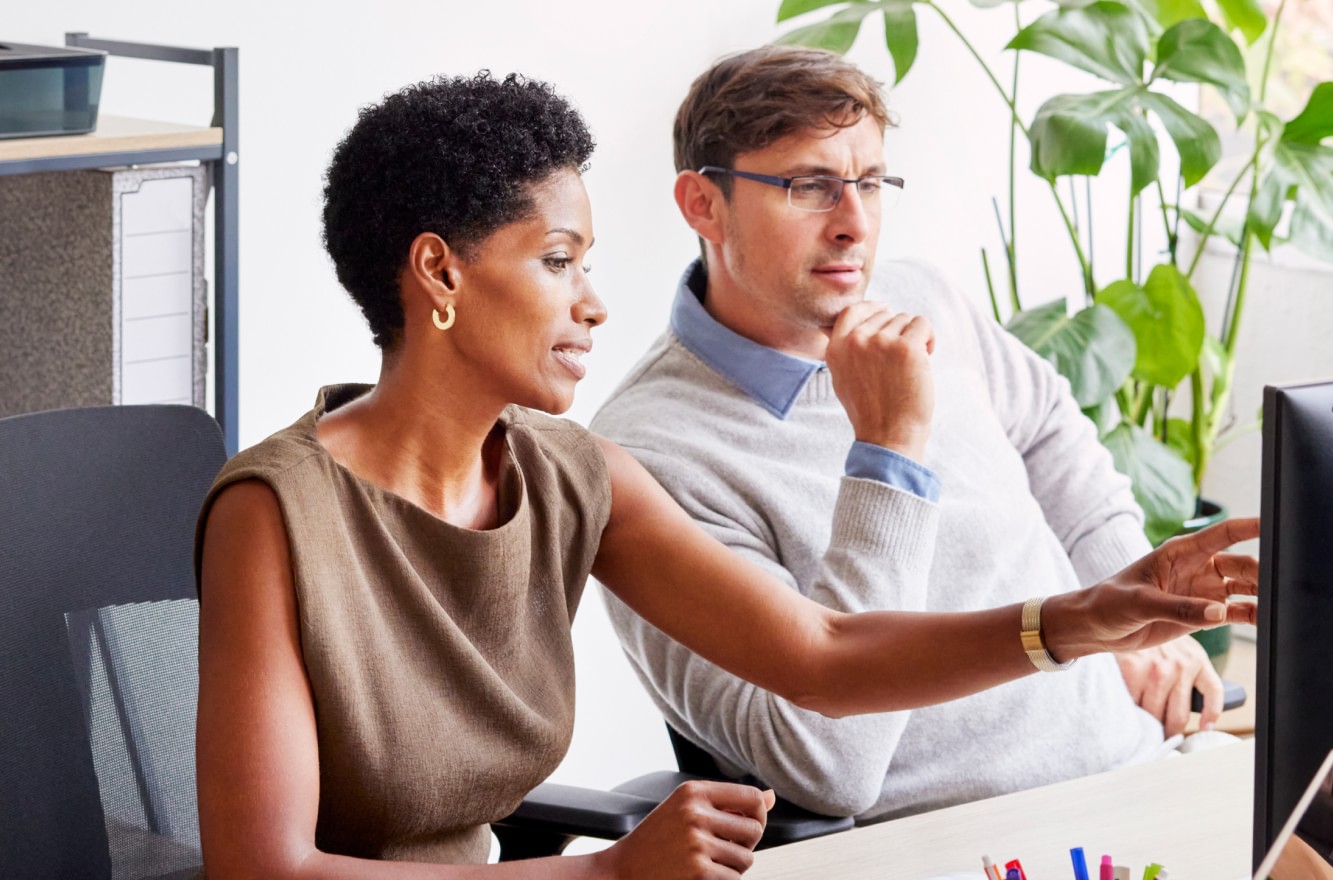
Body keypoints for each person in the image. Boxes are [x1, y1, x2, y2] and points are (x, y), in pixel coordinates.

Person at [194, 71, 1258, 879]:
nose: (596, 303)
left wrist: (1088, 615)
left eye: (590, 263)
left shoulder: (572, 474)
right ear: (440, 273)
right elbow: (265, 868)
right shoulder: (274, 510)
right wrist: (602, 870)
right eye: (559, 261)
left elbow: (826, 655)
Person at [590, 45, 1237, 826]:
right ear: (703, 205)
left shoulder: (920, 297)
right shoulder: (648, 455)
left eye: (868, 182)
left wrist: (1132, 623)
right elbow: (829, 766)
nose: (855, 224)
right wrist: (889, 449)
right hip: (952, 842)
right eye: (810, 187)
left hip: (1135, 770)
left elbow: (1048, 432)